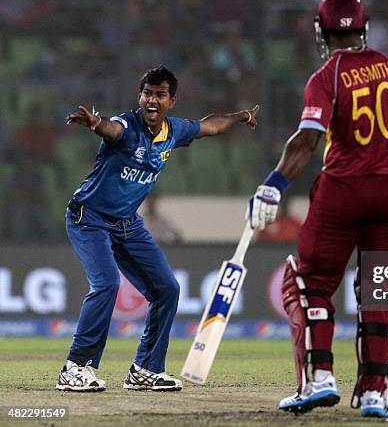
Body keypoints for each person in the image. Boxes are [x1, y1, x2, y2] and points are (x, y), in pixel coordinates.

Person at [247, 0, 388, 418]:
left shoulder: (326, 76)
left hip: (343, 191)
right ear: (364, 28)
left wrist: (273, 184)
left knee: (308, 281)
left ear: (321, 31)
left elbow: (308, 139)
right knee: (380, 289)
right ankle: (374, 395)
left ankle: (319, 380)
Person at [56, 65, 259, 392]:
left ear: (171, 101)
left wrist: (240, 117)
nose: (152, 99)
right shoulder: (127, 125)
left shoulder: (175, 131)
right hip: (89, 217)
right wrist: (96, 124)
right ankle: (76, 367)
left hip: (126, 224)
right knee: (107, 283)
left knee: (167, 288)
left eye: (159, 94)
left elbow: (210, 126)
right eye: (147, 93)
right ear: (140, 96)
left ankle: (146, 370)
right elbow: (112, 130)